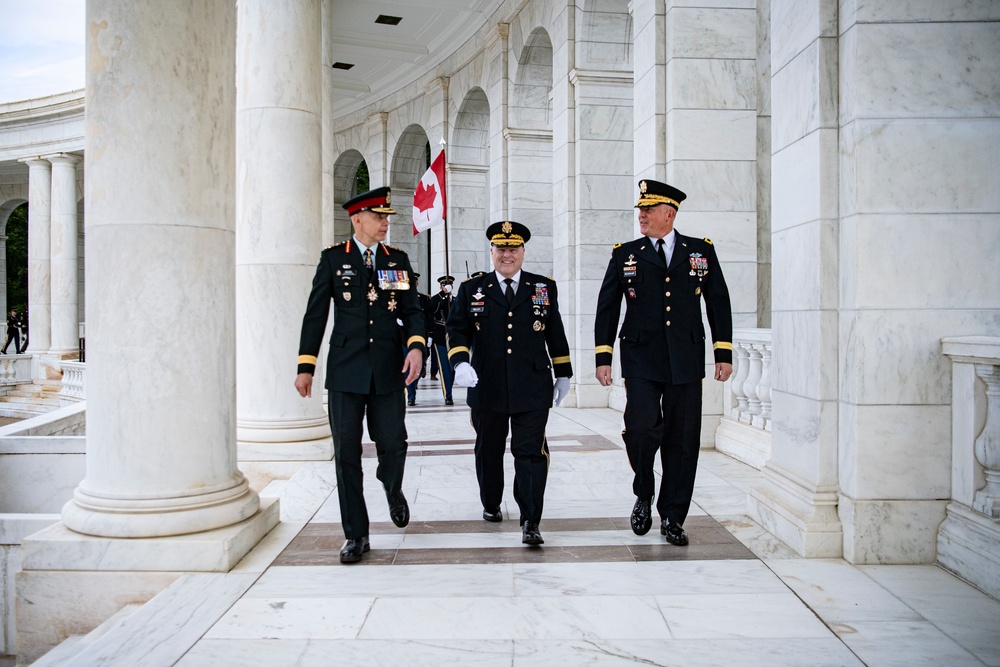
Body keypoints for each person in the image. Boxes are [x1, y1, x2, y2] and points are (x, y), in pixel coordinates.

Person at [594, 179, 733, 546]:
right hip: (640, 356)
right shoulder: (626, 253)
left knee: (683, 439)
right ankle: (644, 490)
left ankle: (673, 516)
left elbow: (717, 301)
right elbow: (608, 306)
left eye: (648, 210)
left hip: (685, 358)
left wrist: (723, 351)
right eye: (640, 210)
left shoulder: (699, 251)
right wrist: (603, 355)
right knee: (640, 428)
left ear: (668, 214)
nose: (641, 215)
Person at [295, 186, 427, 563]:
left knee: (394, 443)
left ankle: (391, 484)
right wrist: (306, 366)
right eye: (379, 217)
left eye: (387, 217)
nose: (386, 223)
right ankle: (356, 535)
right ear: (358, 220)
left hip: (388, 370)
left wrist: (416, 345)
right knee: (346, 456)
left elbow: (412, 310)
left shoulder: (396, 261)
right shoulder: (335, 259)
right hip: (345, 372)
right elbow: (315, 315)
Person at [447, 221, 572, 546]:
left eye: (513, 249)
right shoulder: (471, 289)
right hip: (485, 384)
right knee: (489, 449)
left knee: (529, 452)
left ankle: (531, 519)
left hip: (532, 384)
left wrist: (563, 372)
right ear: (491, 252)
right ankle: (491, 501)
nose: (507, 255)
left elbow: (554, 331)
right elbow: (457, 329)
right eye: (500, 249)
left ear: (523, 252)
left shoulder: (542, 287)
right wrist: (460, 362)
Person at [427, 274, 456, 405]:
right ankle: (448, 395)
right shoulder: (437, 299)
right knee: (444, 367)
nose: (446, 287)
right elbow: (432, 307)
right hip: (440, 335)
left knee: (452, 367)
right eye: (443, 285)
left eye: (448, 285)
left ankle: (449, 389)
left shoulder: (456, 300)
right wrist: (443, 294)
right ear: (440, 286)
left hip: (454, 337)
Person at [405, 273, 432, 406]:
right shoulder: (401, 297)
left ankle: (412, 384)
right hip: (404, 337)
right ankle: (411, 396)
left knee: (421, 367)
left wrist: (430, 335)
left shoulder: (423, 299)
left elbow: (428, 317)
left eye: (415, 282)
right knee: (409, 366)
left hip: (422, 336)